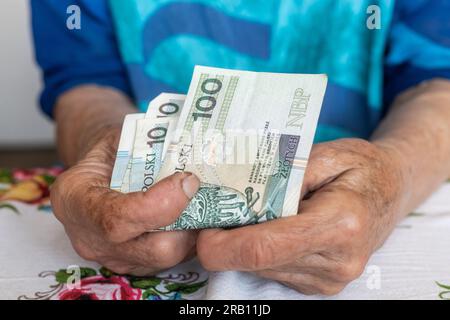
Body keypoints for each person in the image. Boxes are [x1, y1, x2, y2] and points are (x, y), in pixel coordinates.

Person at [31, 0, 450, 295]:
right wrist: (109, 156)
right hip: (153, 222)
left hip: (353, 205)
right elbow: (84, 81)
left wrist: (391, 177)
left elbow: (436, 81)